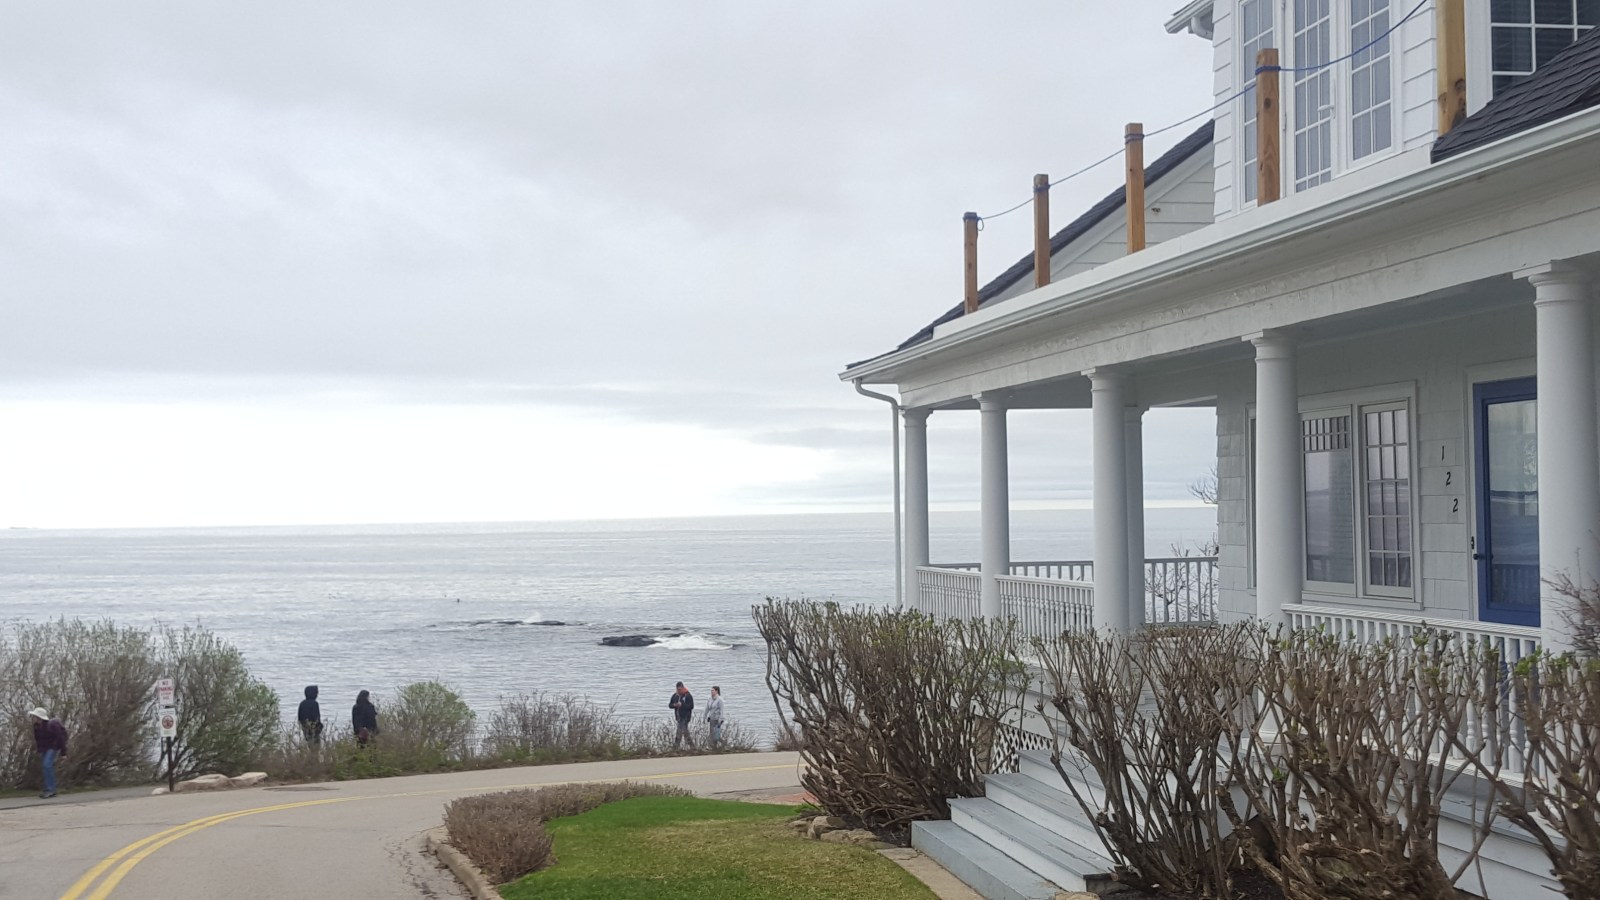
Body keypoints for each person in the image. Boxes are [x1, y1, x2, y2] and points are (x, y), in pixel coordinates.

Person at [28, 708, 67, 799]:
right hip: (45, 748)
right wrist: (39, 750)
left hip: (53, 747)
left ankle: (51, 790)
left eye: (34, 716)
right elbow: (38, 739)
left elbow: (60, 738)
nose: (33, 718)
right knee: (46, 767)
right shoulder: (36, 727)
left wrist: (63, 752)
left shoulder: (51, 725)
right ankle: (48, 788)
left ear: (39, 717)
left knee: (47, 765)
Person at [667, 681, 695, 750]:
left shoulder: (688, 695)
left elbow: (691, 706)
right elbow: (670, 705)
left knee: (680, 731)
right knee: (685, 732)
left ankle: (676, 747)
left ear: (683, 688)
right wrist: (675, 705)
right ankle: (692, 746)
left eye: (680, 689)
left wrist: (682, 705)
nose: (678, 691)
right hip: (678, 717)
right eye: (677, 689)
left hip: (685, 717)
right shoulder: (675, 695)